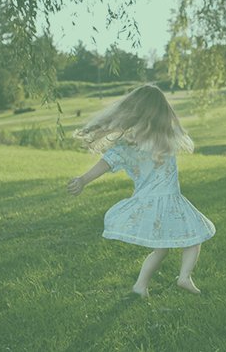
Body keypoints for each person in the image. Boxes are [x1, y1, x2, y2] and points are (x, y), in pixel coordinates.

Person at [67, 84, 215, 297]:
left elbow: (106, 162)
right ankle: (184, 277)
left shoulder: (129, 142)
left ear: (134, 111)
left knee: (161, 249)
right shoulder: (169, 135)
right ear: (163, 111)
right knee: (196, 235)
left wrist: (83, 180)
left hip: (148, 202)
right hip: (171, 200)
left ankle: (140, 287)